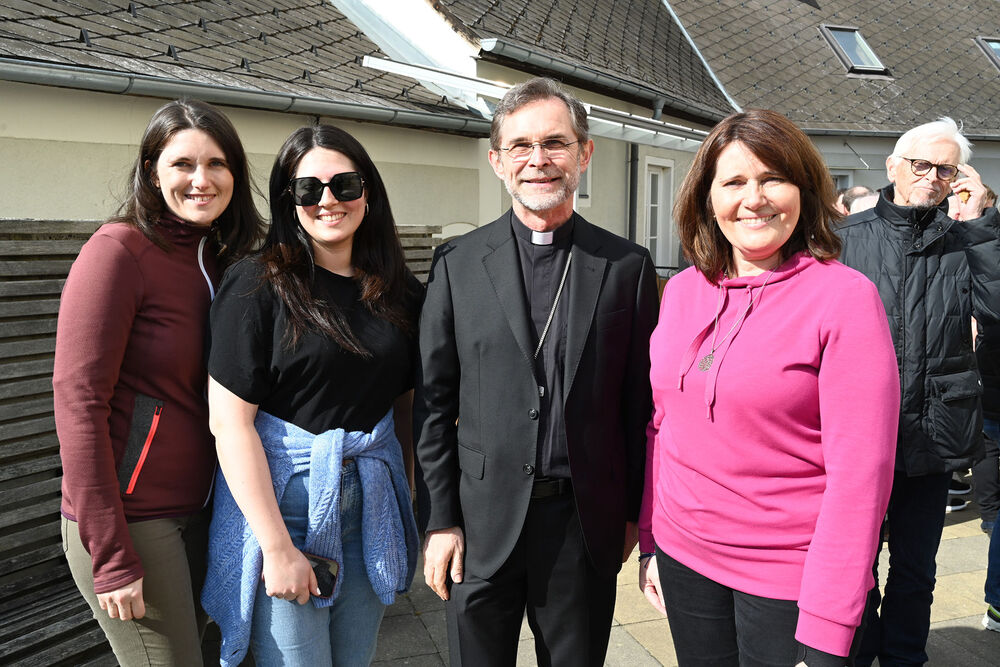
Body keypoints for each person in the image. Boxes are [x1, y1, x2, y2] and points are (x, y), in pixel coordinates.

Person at [638, 109, 899, 666]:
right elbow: (662, 426)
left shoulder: (845, 299)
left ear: (803, 190)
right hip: (685, 561)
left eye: (772, 179)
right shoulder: (682, 291)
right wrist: (651, 540)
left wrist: (829, 626)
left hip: (790, 579)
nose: (753, 199)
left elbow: (862, 478)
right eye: (733, 181)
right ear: (707, 197)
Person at [414, 77, 659, 666]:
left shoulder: (626, 266)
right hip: (480, 520)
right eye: (520, 145)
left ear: (584, 153)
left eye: (554, 143)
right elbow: (433, 404)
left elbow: (640, 405)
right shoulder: (457, 264)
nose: (538, 159)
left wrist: (633, 514)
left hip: (582, 523)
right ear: (497, 161)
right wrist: (440, 520)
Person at [201, 124, 421, 666]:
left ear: (367, 192)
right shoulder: (256, 284)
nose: (328, 200)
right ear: (288, 200)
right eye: (308, 189)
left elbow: (407, 405)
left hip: (370, 508)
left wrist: (408, 494)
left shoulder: (400, 293)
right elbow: (229, 424)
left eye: (345, 184)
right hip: (285, 510)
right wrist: (276, 547)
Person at [53, 99, 263, 665]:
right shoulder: (118, 251)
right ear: (151, 171)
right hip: (134, 518)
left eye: (217, 164)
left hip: (208, 511)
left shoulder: (225, 258)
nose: (202, 180)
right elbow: (79, 402)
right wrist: (110, 553)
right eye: (183, 164)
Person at [837, 117, 1000, 666]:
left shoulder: (969, 240)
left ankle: (905, 657)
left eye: (945, 169)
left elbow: (996, 310)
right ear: (893, 166)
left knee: (915, 568)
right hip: (860, 434)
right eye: (921, 164)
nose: (932, 176)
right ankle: (859, 653)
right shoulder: (845, 239)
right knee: (855, 565)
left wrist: (980, 226)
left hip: (935, 433)